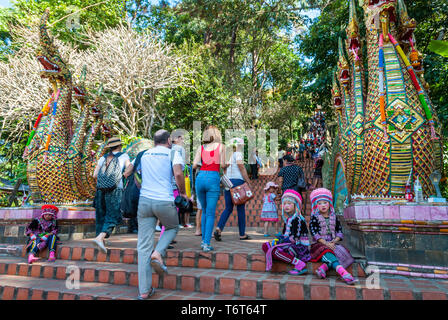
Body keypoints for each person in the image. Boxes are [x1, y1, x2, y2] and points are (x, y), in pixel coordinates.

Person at [123, 129, 186, 300]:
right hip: (164, 201)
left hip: (144, 202)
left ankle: (144, 291)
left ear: (154, 141)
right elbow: (179, 173)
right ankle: (158, 252)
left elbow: (132, 175)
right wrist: (183, 193)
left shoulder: (143, 154)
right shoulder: (172, 153)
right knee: (172, 227)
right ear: (168, 141)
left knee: (143, 246)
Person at [308, 188, 356, 285]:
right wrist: (326, 243)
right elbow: (314, 233)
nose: (323, 205)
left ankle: (323, 268)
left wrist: (334, 242)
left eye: (325, 202)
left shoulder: (334, 217)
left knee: (343, 252)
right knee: (327, 251)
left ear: (329, 203)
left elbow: (339, 230)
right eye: (320, 203)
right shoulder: (314, 218)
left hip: (333, 243)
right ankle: (344, 273)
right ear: (316, 206)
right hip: (319, 244)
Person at [92, 137, 131, 253]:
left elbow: (94, 175)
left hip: (100, 190)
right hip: (115, 189)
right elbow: (129, 170)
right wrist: (123, 176)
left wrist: (103, 183)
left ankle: (101, 241)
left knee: (101, 215)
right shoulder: (124, 156)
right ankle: (100, 238)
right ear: (119, 146)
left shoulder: (102, 158)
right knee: (114, 214)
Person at [193, 125, 226, 252]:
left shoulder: (201, 148)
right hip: (213, 178)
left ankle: (203, 241)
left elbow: (195, 165)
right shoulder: (221, 147)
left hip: (200, 177)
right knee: (210, 212)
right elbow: (223, 165)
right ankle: (206, 243)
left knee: (204, 210)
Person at [262, 189, 310, 275]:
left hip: (299, 247)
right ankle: (284, 255)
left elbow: (294, 239)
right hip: (289, 244)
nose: (286, 206)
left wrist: (280, 241)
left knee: (275, 251)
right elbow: (285, 236)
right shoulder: (288, 219)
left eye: (289, 203)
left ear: (296, 206)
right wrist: (278, 240)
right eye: (284, 204)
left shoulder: (298, 219)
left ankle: (298, 263)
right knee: (266, 246)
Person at [214, 138, 252, 242]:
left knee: (228, 208)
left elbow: (223, 167)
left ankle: (219, 229)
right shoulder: (237, 154)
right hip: (237, 182)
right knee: (240, 208)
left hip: (228, 182)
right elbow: (241, 167)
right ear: (239, 145)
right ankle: (242, 234)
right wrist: (248, 181)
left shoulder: (227, 156)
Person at [171, 131, 189, 228]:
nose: (183, 141)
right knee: (176, 206)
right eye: (182, 138)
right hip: (175, 183)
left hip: (165, 183)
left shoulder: (168, 148)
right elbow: (181, 169)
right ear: (176, 139)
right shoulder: (180, 149)